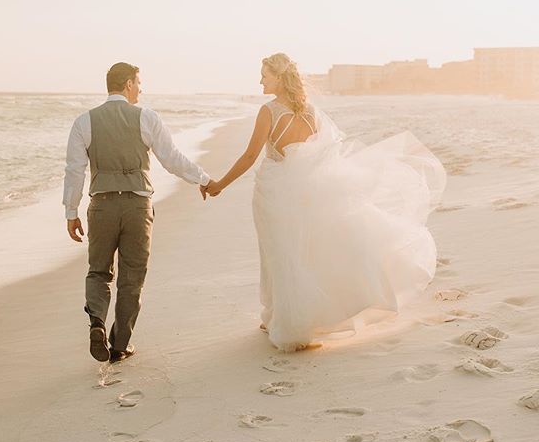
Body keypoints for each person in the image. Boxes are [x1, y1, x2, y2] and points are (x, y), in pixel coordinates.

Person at [204, 52, 446, 352]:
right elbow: (322, 156)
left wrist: (220, 185)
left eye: (265, 75)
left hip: (274, 191)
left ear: (279, 78)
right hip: (305, 191)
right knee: (300, 254)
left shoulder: (268, 111)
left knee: (278, 255)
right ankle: (281, 317)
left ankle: (288, 326)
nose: (260, 80)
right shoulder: (310, 111)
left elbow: (251, 156)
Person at [63, 62, 212, 362]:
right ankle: (119, 345)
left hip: (102, 205)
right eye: (139, 83)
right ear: (129, 83)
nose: (141, 89)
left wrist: (71, 212)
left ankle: (97, 323)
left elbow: (74, 170)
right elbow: (171, 159)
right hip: (137, 205)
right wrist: (204, 179)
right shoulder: (146, 117)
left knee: (99, 271)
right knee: (132, 276)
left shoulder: (84, 122)